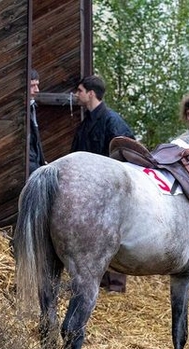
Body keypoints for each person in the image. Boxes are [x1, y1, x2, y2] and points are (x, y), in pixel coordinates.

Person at [71, 75, 136, 293]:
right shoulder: (84, 125)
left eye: (79, 91)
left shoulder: (112, 121)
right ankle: (97, 280)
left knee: (112, 235)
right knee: (93, 237)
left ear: (91, 93)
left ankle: (116, 286)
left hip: (111, 191)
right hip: (88, 191)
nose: (76, 95)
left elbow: (128, 153)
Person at [28, 69, 46, 175]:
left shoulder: (32, 106)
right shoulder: (23, 109)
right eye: (32, 86)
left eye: (37, 85)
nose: (37, 90)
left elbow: (36, 142)